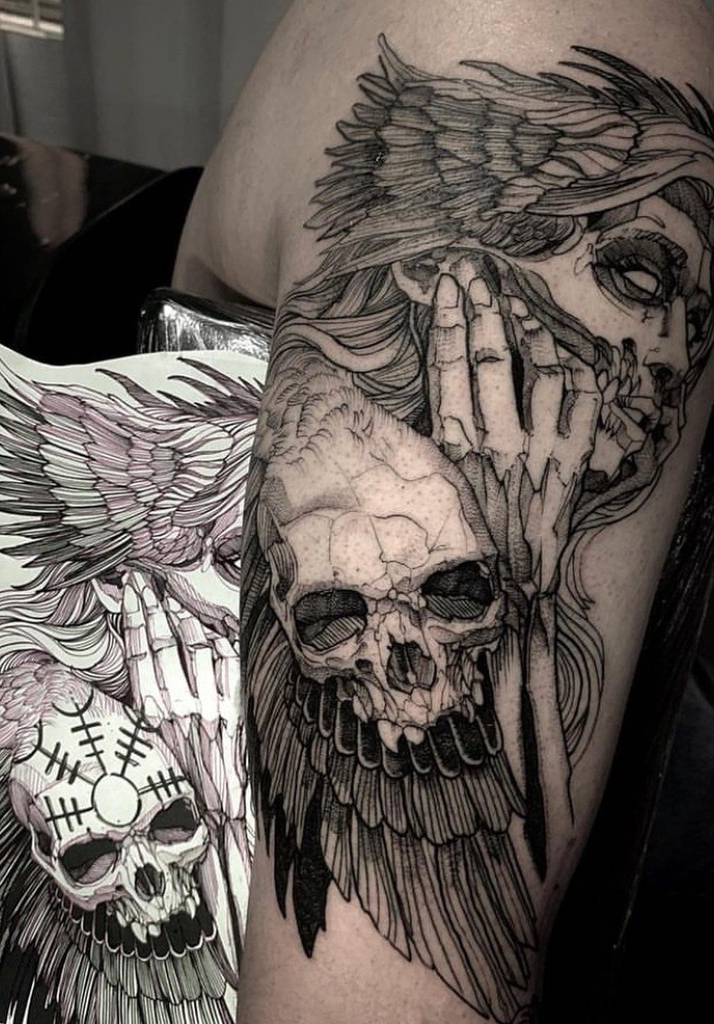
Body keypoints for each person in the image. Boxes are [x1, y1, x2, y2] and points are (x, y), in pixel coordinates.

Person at [174, 2, 713, 1021]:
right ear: (438, 263)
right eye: (637, 275)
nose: (676, 353)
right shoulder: (529, 29)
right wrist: (513, 577)